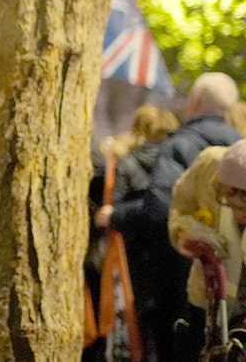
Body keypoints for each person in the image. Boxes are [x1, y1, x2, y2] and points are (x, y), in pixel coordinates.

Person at [140, 72, 241, 357]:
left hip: (190, 293)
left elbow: (159, 210)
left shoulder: (180, 146)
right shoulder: (238, 143)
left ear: (194, 101)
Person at [90, 105, 179, 360]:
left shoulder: (124, 159)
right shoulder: (173, 160)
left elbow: (111, 207)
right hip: (167, 253)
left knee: (130, 325)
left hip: (128, 256)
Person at [168, 140, 246, 356]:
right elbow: (181, 206)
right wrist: (184, 233)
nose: (238, 216)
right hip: (207, 300)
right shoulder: (209, 165)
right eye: (232, 206)